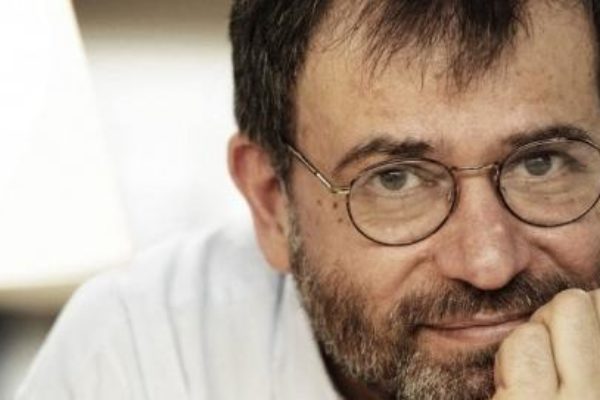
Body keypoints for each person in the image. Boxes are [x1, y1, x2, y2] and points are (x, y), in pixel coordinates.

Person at [16, 0, 600, 399]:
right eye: (395, 179)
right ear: (272, 204)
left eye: (541, 163)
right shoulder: (140, 353)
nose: (489, 263)